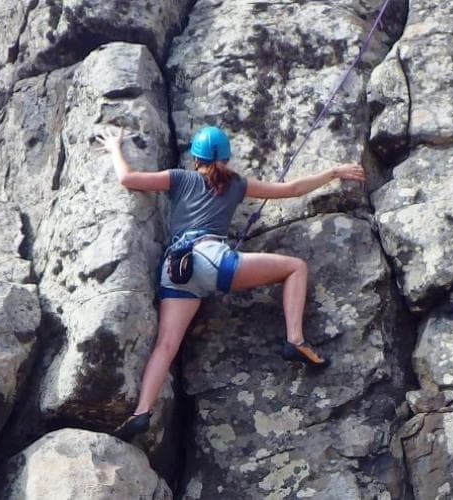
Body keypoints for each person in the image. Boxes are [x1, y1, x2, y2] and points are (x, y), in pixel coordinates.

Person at [96, 126, 366, 438]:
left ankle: (142, 411)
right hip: (213, 260)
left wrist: (116, 147)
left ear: (195, 158)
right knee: (295, 267)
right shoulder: (236, 184)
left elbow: (127, 180)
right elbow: (292, 188)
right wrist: (333, 171)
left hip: (177, 268)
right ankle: (295, 340)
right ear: (226, 157)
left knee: (167, 345)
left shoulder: (179, 178)